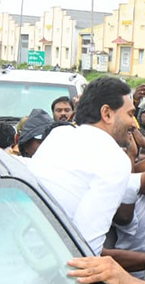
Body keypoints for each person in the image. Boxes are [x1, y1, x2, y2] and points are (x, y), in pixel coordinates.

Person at [27, 77, 134, 254]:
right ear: (106, 113)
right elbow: (85, 247)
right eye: (130, 114)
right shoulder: (114, 159)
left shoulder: (59, 134)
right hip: (45, 264)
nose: (133, 123)